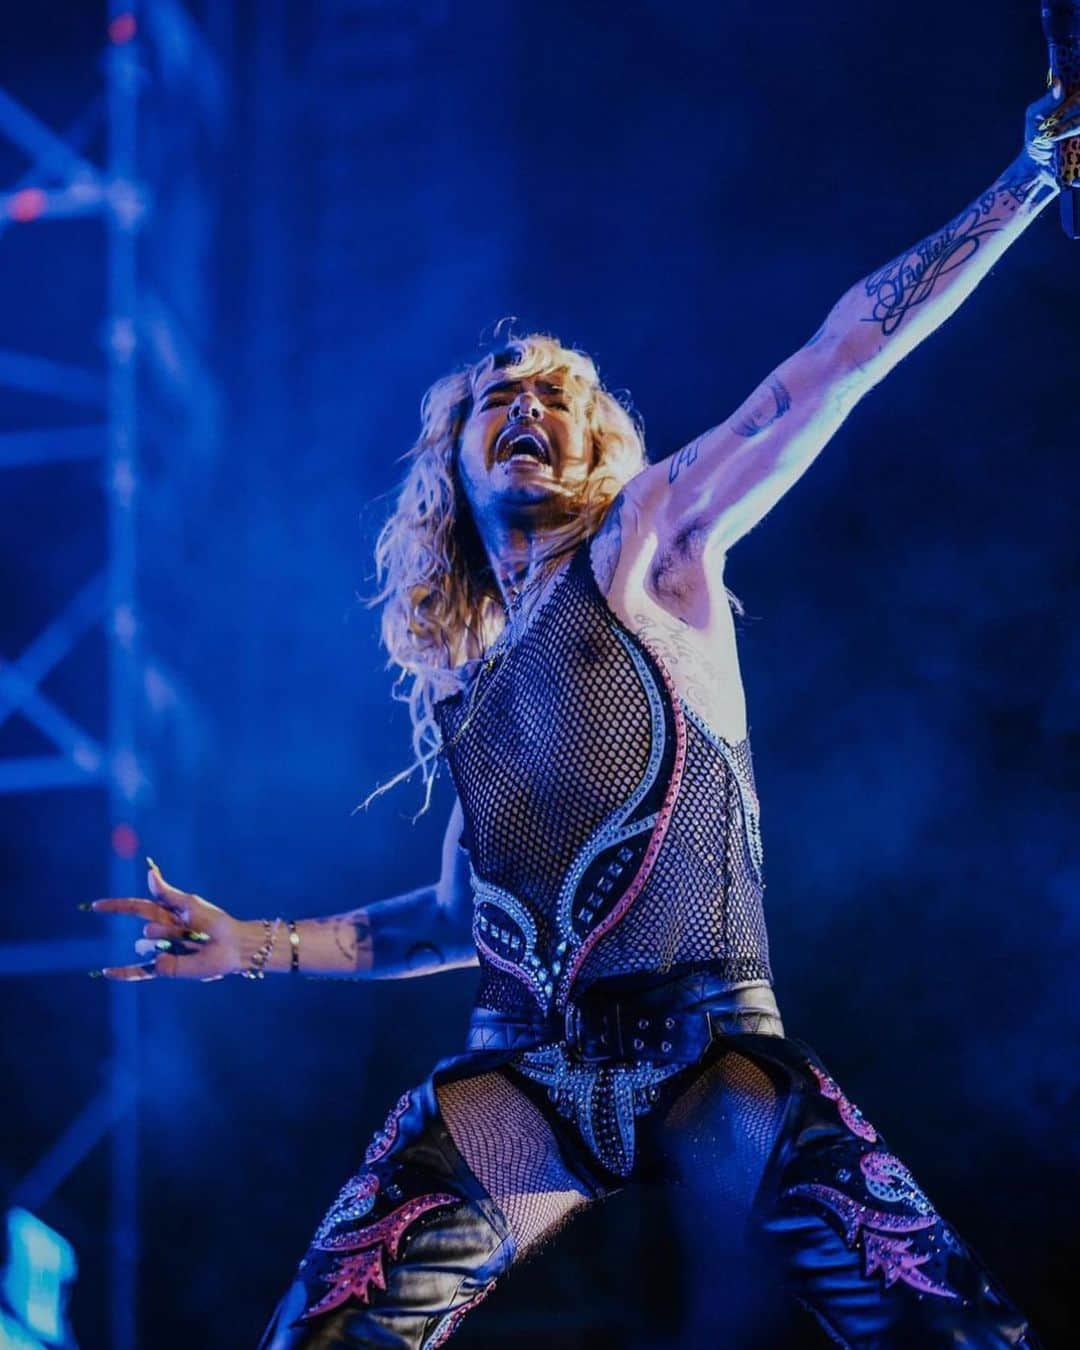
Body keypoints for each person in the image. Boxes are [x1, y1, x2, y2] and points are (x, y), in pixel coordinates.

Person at [90, 86, 1077, 1348]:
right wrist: (255, 944)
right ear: (452, 463)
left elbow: (833, 363)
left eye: (561, 396)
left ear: (599, 448)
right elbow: (452, 921)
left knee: (946, 1333)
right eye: (502, 395)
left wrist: (1029, 177)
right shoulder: (470, 688)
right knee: (331, 1333)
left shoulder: (650, 550)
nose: (532, 408)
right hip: (535, 1079)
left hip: (713, 1050)